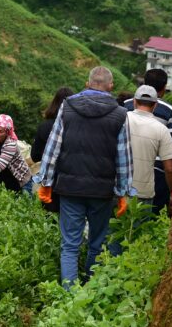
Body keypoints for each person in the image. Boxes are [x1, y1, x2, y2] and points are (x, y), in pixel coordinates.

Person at [36, 67, 133, 289]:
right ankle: (90, 288)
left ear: (87, 83)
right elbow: (123, 158)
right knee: (97, 244)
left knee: (69, 245)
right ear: (111, 86)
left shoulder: (67, 107)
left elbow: (53, 147)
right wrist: (123, 192)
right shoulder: (120, 114)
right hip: (102, 191)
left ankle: (69, 294)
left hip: (70, 188)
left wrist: (46, 183)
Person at [123, 69, 172, 217]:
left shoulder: (124, 106)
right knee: (152, 217)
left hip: (123, 169)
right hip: (157, 173)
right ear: (163, 89)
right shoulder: (171, 111)